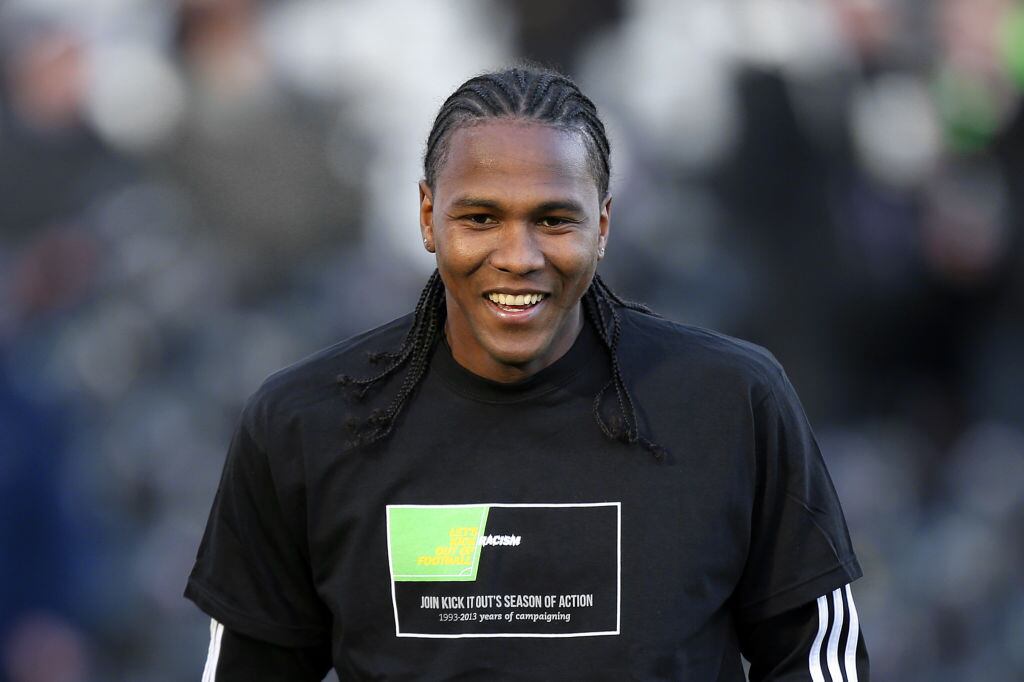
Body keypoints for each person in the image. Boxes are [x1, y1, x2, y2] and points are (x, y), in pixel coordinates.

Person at [185, 64, 869, 681]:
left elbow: (814, 661)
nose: (519, 256)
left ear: (602, 225)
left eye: (553, 220)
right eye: (481, 217)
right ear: (428, 217)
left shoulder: (732, 403)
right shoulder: (307, 422)